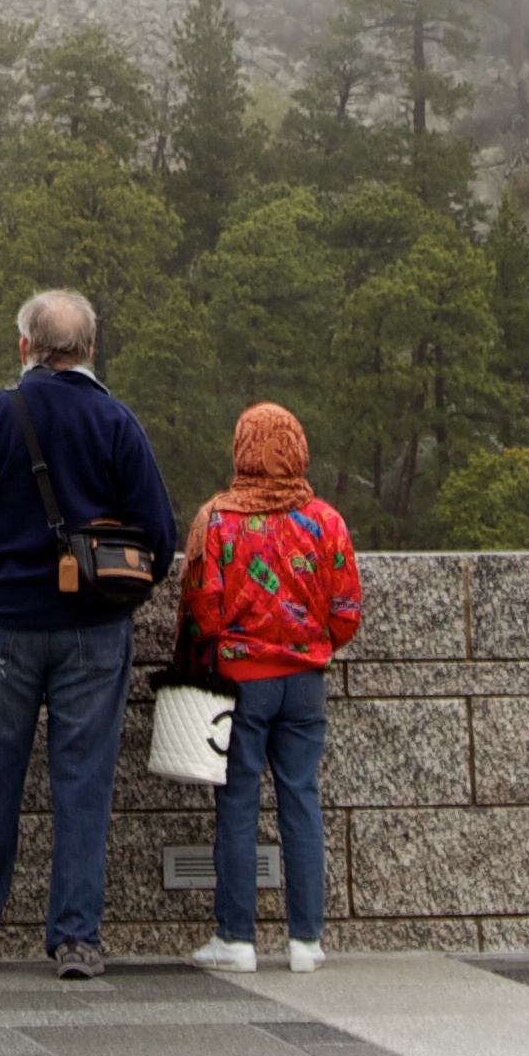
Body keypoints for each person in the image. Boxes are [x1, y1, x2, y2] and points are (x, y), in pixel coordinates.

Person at [0, 285, 183, 978]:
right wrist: (119, 599)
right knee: (83, 781)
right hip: (93, 631)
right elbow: (159, 532)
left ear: (24, 348)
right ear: (90, 348)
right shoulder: (116, 423)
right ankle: (75, 940)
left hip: (1, 625)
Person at [175, 400, 361, 973]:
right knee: (301, 798)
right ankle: (306, 940)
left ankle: (237, 939)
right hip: (305, 681)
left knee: (237, 802)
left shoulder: (219, 520)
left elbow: (201, 609)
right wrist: (310, 644)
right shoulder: (326, 521)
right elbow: (347, 610)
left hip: (240, 681)